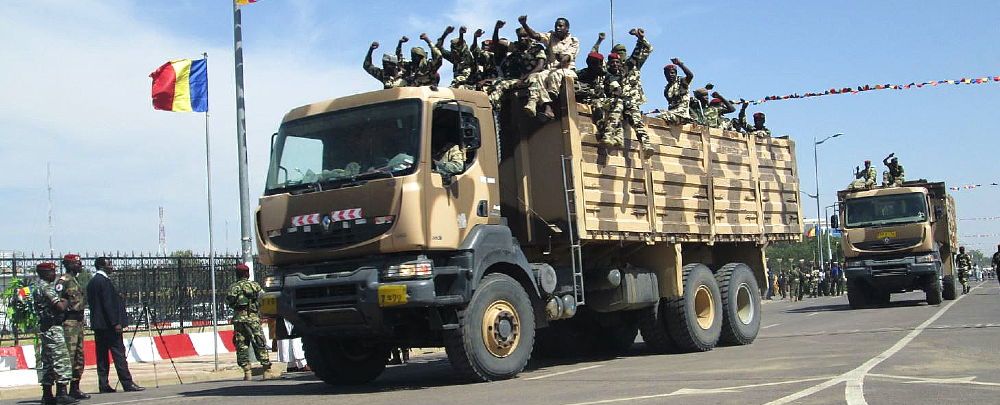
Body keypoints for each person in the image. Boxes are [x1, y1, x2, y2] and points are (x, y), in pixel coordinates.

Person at [87, 257, 143, 393]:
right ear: (102, 266)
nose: (111, 267)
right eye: (109, 264)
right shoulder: (104, 282)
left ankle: (103, 384)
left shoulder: (92, 282)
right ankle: (127, 382)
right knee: (118, 355)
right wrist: (115, 323)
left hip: (99, 325)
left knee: (102, 357)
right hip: (109, 326)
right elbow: (108, 304)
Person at [33, 262, 79, 405]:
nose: (54, 275)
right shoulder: (46, 287)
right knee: (61, 359)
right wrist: (65, 300)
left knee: (47, 362)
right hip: (53, 328)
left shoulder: (37, 286)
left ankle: (47, 394)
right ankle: (61, 393)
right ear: (45, 273)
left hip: (45, 328)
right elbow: (59, 306)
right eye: (52, 272)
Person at [518, 15, 579, 119]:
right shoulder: (551, 37)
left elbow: (567, 58)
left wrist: (561, 58)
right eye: (556, 26)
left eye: (560, 26)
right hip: (551, 70)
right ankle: (547, 108)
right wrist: (524, 24)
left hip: (566, 70)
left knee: (555, 75)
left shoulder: (573, 41)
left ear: (567, 28)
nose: (558, 28)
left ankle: (551, 104)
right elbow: (535, 36)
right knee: (539, 76)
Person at [226, 264, 275, 380]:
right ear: (247, 274)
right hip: (252, 319)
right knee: (259, 342)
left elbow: (229, 301)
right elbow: (263, 298)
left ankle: (247, 371)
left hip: (238, 320)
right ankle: (266, 370)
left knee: (241, 345)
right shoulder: (254, 286)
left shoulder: (233, 287)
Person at [610, 28, 653, 151]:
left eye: (623, 51)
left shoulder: (632, 65)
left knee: (635, 117)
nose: (621, 54)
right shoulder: (611, 69)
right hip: (618, 102)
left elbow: (646, 50)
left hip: (632, 101)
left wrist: (640, 39)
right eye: (619, 52)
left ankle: (645, 143)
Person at [57, 254, 90, 400]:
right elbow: (57, 302)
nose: (80, 266)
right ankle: (62, 390)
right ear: (69, 265)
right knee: (68, 357)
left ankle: (75, 388)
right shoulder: (63, 281)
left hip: (78, 322)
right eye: (77, 263)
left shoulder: (75, 280)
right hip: (68, 323)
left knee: (79, 357)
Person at [660, 59, 694, 123]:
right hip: (671, 113)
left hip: (681, 115)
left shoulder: (682, 82)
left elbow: (690, 75)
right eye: (668, 73)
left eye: (672, 73)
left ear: (676, 73)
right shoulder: (667, 89)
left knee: (662, 117)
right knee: (659, 117)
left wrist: (680, 64)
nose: (670, 75)